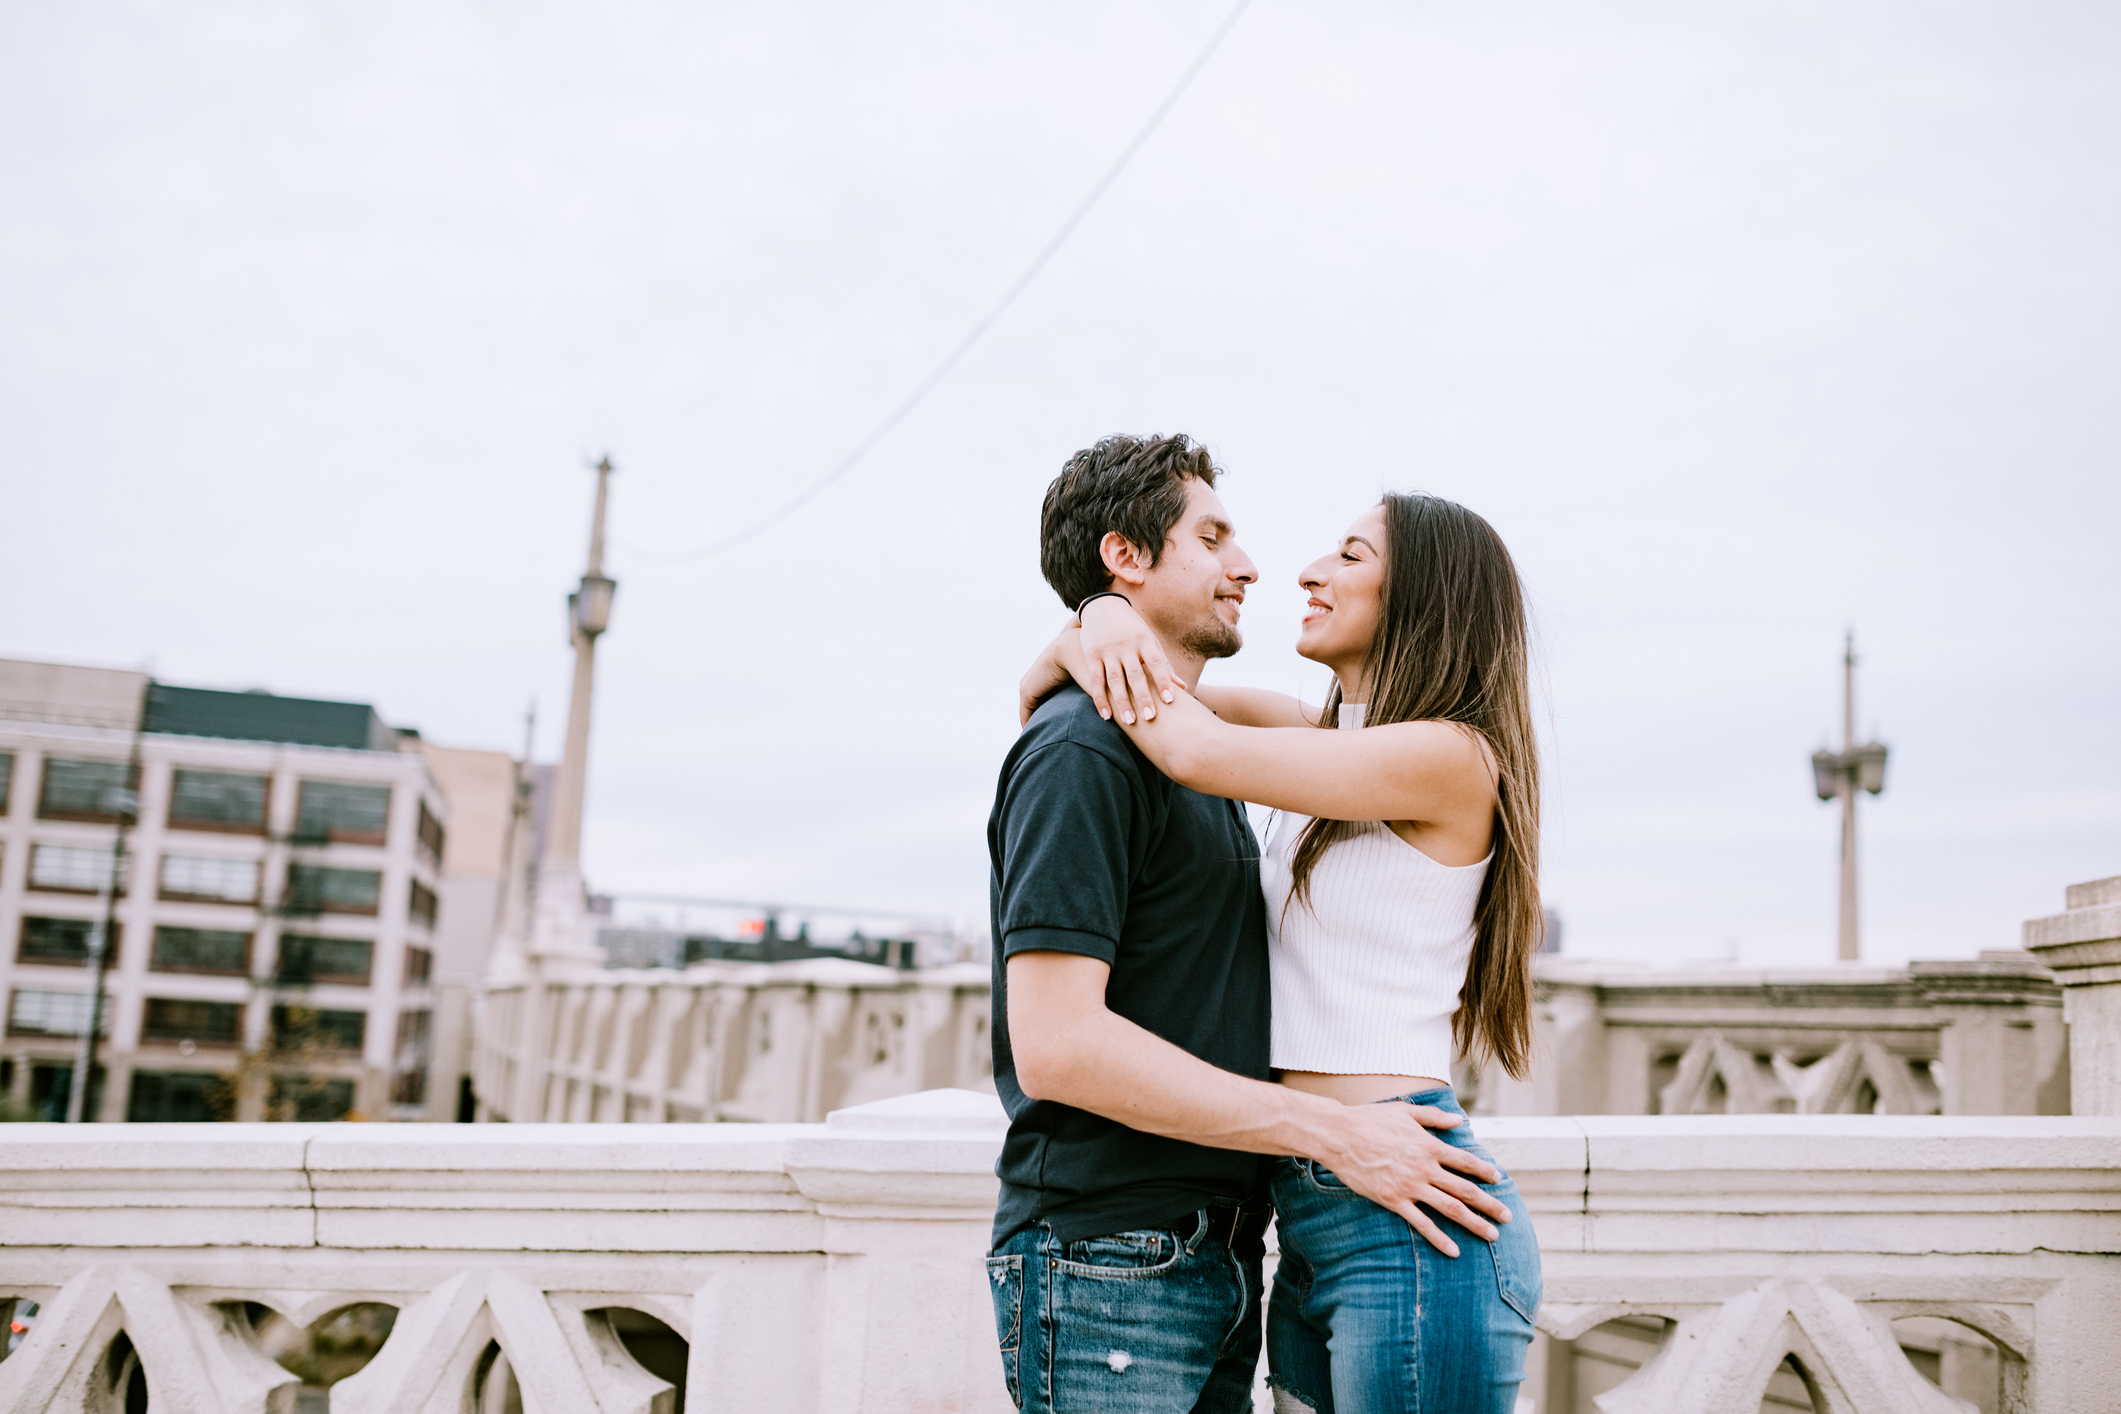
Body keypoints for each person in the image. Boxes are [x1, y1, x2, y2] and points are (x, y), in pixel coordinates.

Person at [987, 434, 1512, 1414]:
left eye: (1350, 556)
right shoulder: (1313, 741)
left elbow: (1180, 732)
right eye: (1214, 536)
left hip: (1392, 1189)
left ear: (1427, 595)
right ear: (1128, 549)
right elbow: (1159, 702)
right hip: (1302, 1208)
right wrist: (1085, 628)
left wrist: (1094, 617)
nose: (1288, 568)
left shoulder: (1443, 756)